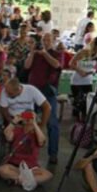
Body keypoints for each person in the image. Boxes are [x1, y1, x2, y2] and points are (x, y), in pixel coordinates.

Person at [24, 32, 63, 165]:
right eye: (43, 39)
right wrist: (33, 52)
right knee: (28, 120)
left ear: (53, 40)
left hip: (47, 91)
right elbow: (26, 66)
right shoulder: (35, 53)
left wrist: (45, 53)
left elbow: (56, 65)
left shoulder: (56, 53)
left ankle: (53, 154)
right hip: (32, 90)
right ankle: (27, 150)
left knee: (52, 123)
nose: (45, 42)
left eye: (48, 40)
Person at [0, 111, 53, 188]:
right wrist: (14, 121)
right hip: (15, 166)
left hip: (31, 168)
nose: (28, 119)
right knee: (2, 169)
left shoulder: (37, 133)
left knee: (48, 175)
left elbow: (41, 141)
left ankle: (18, 180)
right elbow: (7, 135)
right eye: (27, 116)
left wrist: (34, 123)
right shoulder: (17, 130)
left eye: (30, 117)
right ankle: (28, 181)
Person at [70, 37, 97, 121]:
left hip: (88, 82)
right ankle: (77, 127)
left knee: (86, 107)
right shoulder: (84, 52)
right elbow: (71, 63)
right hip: (76, 81)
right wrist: (80, 71)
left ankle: (84, 128)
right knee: (78, 106)